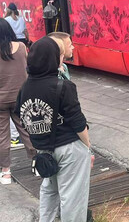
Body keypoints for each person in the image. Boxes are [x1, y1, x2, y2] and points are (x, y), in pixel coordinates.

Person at [15, 37, 92, 222]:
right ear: (53, 59)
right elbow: (78, 123)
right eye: (59, 55)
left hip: (44, 150)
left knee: (49, 192)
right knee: (72, 198)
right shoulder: (63, 86)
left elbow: (20, 115)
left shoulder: (25, 88)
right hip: (70, 149)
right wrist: (88, 147)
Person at [0, 19, 36, 185]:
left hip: (1, 101)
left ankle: (6, 172)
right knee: (27, 130)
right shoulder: (21, 47)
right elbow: (27, 67)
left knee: (2, 136)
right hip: (20, 97)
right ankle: (38, 164)